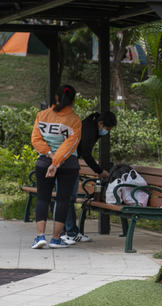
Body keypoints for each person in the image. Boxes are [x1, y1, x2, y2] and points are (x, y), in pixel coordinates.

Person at [30, 85, 82, 249]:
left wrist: (51, 158)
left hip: (44, 162)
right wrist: (57, 162)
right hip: (68, 164)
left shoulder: (42, 115)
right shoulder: (74, 120)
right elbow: (70, 144)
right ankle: (56, 238)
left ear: (56, 98)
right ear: (73, 101)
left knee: (42, 198)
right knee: (63, 200)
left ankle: (39, 237)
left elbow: (36, 139)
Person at [58, 111, 117, 244]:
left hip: (66, 160)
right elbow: (86, 154)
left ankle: (68, 232)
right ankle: (67, 233)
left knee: (66, 198)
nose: (106, 132)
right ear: (100, 123)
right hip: (67, 162)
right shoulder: (89, 130)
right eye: (107, 129)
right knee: (67, 199)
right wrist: (100, 171)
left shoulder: (88, 124)